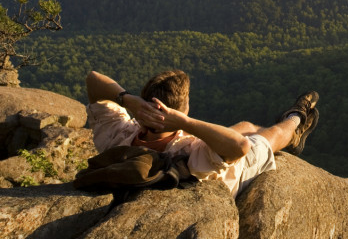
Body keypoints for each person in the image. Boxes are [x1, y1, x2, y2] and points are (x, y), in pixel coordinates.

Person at [84, 69, 319, 197]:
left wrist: (128, 100)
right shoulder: (190, 151)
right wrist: (186, 123)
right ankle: (297, 117)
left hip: (216, 143)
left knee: (246, 124)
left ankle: (272, 122)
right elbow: (240, 147)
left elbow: (93, 79)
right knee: (272, 135)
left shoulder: (120, 134)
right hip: (235, 167)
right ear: (181, 111)